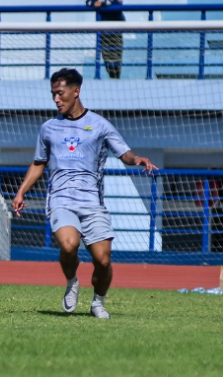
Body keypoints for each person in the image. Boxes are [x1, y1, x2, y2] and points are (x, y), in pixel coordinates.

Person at [11, 68, 157, 319]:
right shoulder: (48, 128)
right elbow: (38, 163)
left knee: (103, 260)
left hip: (92, 202)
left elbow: (124, 152)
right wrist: (21, 192)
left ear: (76, 91)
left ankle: (98, 302)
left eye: (60, 93)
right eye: (53, 94)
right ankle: (72, 282)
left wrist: (137, 160)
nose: (56, 99)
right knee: (69, 245)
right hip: (61, 199)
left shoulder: (99, 125)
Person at [86, 0, 125, 79]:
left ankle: (117, 75)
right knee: (106, 54)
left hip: (116, 28)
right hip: (104, 29)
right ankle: (111, 74)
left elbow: (118, 3)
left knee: (116, 53)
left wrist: (103, 3)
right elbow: (88, 1)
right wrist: (94, 3)